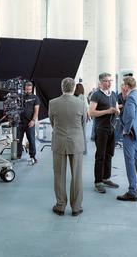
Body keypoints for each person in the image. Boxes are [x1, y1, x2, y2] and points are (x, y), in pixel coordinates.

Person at [49, 77, 86, 216]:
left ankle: (60, 206)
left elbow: (52, 122)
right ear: (74, 88)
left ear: (61, 87)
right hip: (76, 142)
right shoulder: (81, 103)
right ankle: (76, 207)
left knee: (59, 175)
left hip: (59, 142)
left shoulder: (53, 103)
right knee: (76, 176)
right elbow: (83, 123)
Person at [117, 76, 137, 202]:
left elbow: (130, 115)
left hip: (130, 133)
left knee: (129, 161)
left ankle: (132, 191)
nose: (122, 87)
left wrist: (126, 129)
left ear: (127, 86)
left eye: (123, 85)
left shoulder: (130, 97)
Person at [89, 72, 120, 194]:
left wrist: (116, 111)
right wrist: (107, 111)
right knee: (100, 156)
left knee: (109, 154)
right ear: (101, 82)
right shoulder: (96, 95)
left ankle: (106, 178)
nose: (110, 83)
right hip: (101, 129)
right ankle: (98, 182)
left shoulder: (113, 94)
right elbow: (91, 113)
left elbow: (116, 108)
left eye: (111, 80)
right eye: (107, 81)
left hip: (112, 128)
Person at [17, 81, 40, 164]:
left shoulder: (35, 98)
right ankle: (18, 155)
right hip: (19, 122)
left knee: (31, 140)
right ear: (24, 88)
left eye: (29, 89)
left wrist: (33, 120)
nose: (28, 91)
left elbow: (36, 110)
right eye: (26, 89)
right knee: (18, 140)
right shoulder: (19, 97)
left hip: (30, 122)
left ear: (32, 89)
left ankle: (33, 156)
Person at [73, 82, 89, 155]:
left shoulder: (73, 96)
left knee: (75, 133)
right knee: (83, 133)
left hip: (75, 116)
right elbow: (86, 107)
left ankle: (75, 149)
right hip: (82, 116)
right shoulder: (83, 97)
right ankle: (84, 150)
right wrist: (88, 116)